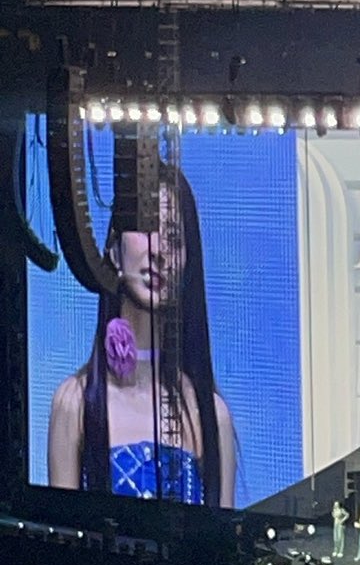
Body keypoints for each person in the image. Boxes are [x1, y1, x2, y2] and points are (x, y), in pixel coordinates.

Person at [47, 167, 236, 506]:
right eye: (147, 228)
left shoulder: (210, 415)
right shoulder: (74, 402)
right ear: (114, 247)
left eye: (174, 238)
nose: (160, 250)